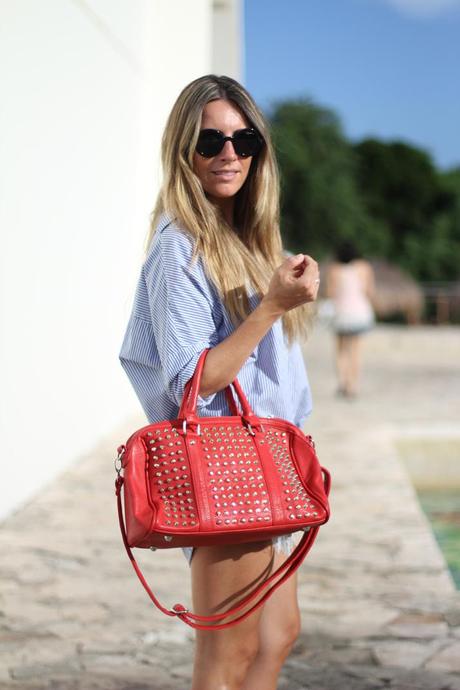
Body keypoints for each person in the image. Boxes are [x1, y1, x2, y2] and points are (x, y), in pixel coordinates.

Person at [119, 74, 320, 690]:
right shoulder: (180, 248)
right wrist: (270, 308)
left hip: (260, 464)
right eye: (210, 141)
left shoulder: (245, 238)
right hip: (223, 468)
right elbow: (194, 380)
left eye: (244, 139)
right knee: (226, 658)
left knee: (275, 637)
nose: (228, 154)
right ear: (185, 152)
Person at [326, 241, 375, 398]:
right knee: (356, 351)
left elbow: (330, 293)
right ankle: (353, 386)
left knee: (340, 350)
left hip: (341, 314)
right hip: (360, 313)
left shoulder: (334, 269)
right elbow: (369, 291)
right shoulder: (364, 267)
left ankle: (343, 383)